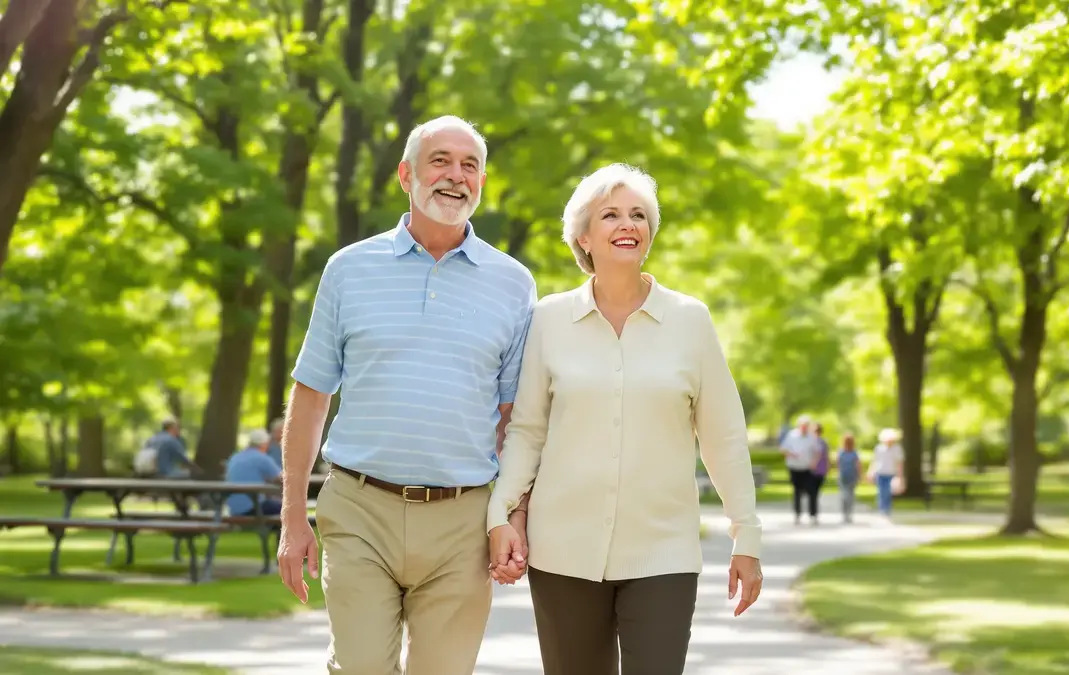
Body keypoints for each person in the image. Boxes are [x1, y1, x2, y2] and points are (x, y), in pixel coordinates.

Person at [275, 115, 537, 675]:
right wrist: (292, 516)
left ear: (481, 182)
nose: (456, 175)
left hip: (463, 519)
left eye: (470, 165)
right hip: (359, 509)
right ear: (406, 176)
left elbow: (515, 420)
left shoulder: (514, 284)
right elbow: (311, 395)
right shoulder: (348, 270)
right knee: (363, 667)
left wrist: (511, 516)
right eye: (440, 161)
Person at [486, 163, 763, 675]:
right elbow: (527, 431)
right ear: (583, 237)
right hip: (562, 553)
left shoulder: (690, 320)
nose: (627, 224)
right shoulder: (549, 319)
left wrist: (746, 536)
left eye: (638, 215)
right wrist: (501, 513)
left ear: (650, 234)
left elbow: (724, 438)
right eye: (610, 215)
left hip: (664, 553)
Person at [224, 429, 283, 516]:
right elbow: (282, 479)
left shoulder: (235, 457)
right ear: (264, 444)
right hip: (253, 507)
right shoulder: (262, 458)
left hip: (234, 509)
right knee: (290, 509)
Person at [780, 414, 818, 525]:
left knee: (811, 491)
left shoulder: (811, 437)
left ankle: (813, 514)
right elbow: (783, 449)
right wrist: (791, 454)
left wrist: (814, 462)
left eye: (806, 425)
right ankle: (797, 514)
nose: (805, 427)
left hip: (807, 468)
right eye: (803, 425)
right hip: (794, 467)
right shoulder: (792, 435)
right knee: (797, 491)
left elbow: (816, 452)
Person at [869, 428, 905, 517]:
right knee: (881, 492)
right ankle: (882, 509)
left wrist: (900, 476)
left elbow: (899, 463)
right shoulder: (879, 448)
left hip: (891, 473)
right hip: (880, 473)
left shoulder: (897, 449)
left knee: (888, 492)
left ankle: (887, 509)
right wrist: (871, 472)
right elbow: (875, 461)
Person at [807, 422, 832, 524]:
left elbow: (827, 456)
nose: (816, 433)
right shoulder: (808, 442)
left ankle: (814, 513)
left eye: (818, 431)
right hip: (809, 470)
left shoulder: (823, 443)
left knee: (816, 492)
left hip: (820, 470)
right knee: (811, 492)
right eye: (814, 431)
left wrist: (828, 467)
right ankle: (812, 513)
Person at [836, 433, 862, 523]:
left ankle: (847, 514)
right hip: (846, 476)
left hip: (849, 476)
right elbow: (838, 464)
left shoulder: (852, 453)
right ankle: (846, 514)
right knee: (847, 496)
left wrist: (859, 475)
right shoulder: (843, 452)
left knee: (847, 496)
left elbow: (857, 465)